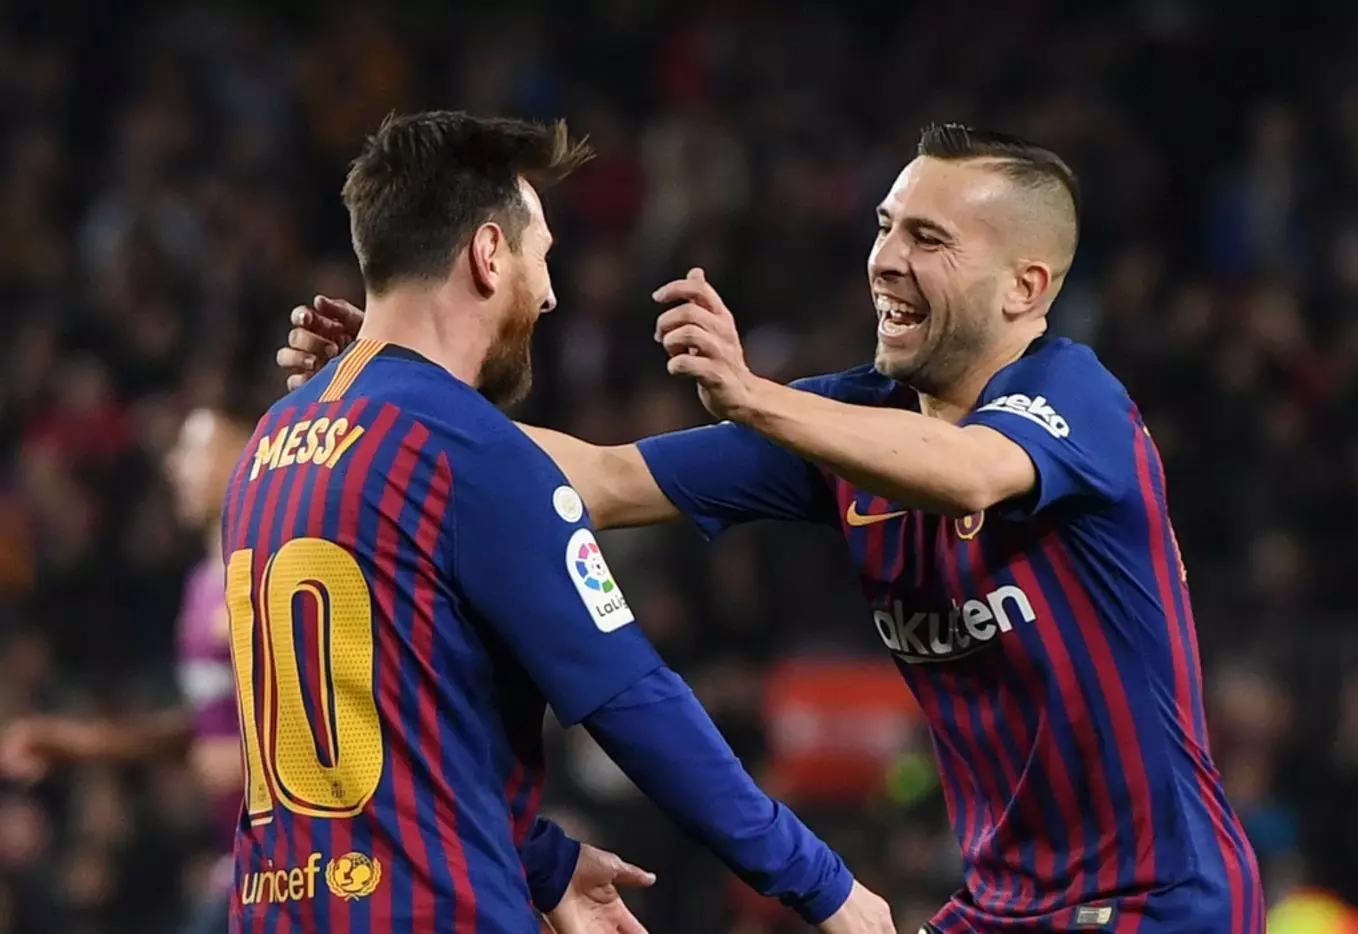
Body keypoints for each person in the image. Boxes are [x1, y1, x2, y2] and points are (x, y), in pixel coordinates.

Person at [281, 123, 1266, 933]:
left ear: (1025, 287)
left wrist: (752, 395)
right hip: (999, 906)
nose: (885, 259)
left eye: (929, 239)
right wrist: (400, 388)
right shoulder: (844, 422)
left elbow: (971, 472)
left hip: (1155, 901)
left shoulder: (1076, 397)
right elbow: (598, 480)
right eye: (885, 226)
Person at [239, 110, 891, 934]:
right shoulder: (468, 450)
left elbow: (386, 722)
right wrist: (825, 886)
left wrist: (539, 859)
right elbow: (634, 700)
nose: (548, 294)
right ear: (488, 253)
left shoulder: (273, 442)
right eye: (539, 255)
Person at [0, 400, 259, 934]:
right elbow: (204, 729)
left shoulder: (269, 577)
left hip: (292, 858)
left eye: (195, 448)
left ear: (247, 453)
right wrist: (78, 745)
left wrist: (259, 757)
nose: (175, 465)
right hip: (238, 860)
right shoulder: (200, 587)